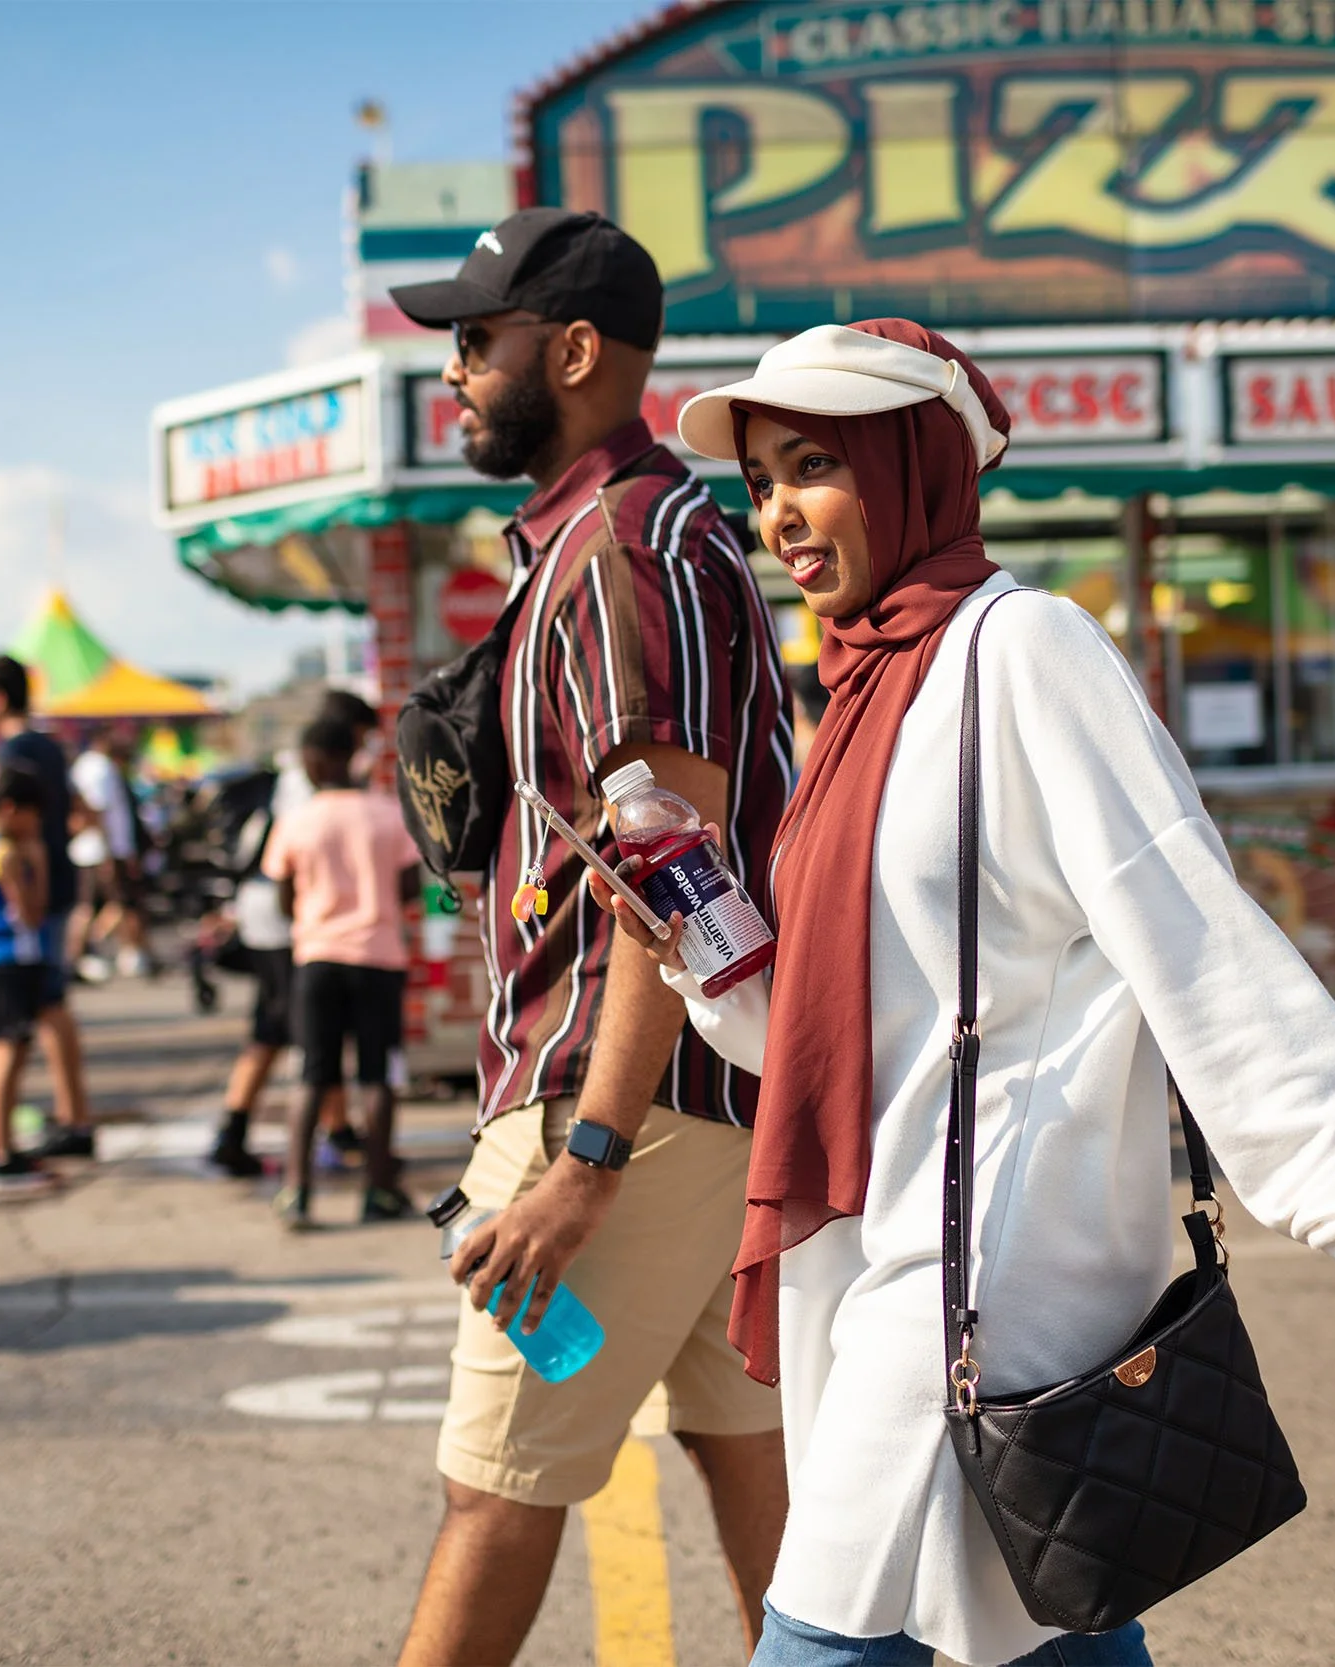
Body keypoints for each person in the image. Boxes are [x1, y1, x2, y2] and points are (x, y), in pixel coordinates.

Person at [592, 318, 1335, 1667]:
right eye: (759, 482)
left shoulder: (1025, 651)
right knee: (1040, 1626)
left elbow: (1206, 952)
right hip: (886, 1264)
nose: (779, 515)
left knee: (825, 1634)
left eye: (813, 464)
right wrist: (698, 948)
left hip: (985, 1279)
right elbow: (841, 1034)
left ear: (914, 462)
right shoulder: (866, 691)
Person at [388, 207, 796, 1666]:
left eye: (473, 340)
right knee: (749, 1464)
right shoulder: (626, 535)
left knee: (489, 1487)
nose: (451, 371)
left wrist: (589, 1158)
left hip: (630, 1105)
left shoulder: (624, 549)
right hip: (699, 1100)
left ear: (567, 351)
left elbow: (668, 876)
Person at [206, 688, 388, 1180]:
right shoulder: (317, 782)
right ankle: (336, 1134)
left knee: (273, 1024)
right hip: (294, 924)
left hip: (267, 916)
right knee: (314, 1036)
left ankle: (235, 1127)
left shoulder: (292, 772)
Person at [265, 716, 423, 1228]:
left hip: (317, 960)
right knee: (378, 1075)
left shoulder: (297, 820)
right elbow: (408, 889)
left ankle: (297, 1190)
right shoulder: (387, 814)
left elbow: (284, 897)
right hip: (378, 958)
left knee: (313, 1073)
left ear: (313, 762)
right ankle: (378, 1190)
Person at [0, 655, 94, 1161]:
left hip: (29, 901)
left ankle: (36, 1125)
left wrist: (25, 883)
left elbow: (27, 829)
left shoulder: (16, 750)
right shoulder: (48, 745)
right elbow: (77, 811)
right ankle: (69, 1116)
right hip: (50, 889)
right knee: (48, 1005)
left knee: (34, 1011)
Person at [0, 769, 62, 1195]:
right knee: (8, 1054)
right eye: (32, 816)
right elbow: (33, 912)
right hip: (15, 957)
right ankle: (1, 1153)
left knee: (0, 1053)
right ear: (10, 809)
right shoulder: (8, 853)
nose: (35, 825)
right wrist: (37, 863)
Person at [69, 729, 146, 982]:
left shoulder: (85, 765)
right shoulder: (100, 768)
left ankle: (86, 954)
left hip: (95, 849)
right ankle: (81, 954)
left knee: (100, 905)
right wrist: (107, 852)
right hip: (103, 850)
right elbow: (96, 810)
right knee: (115, 904)